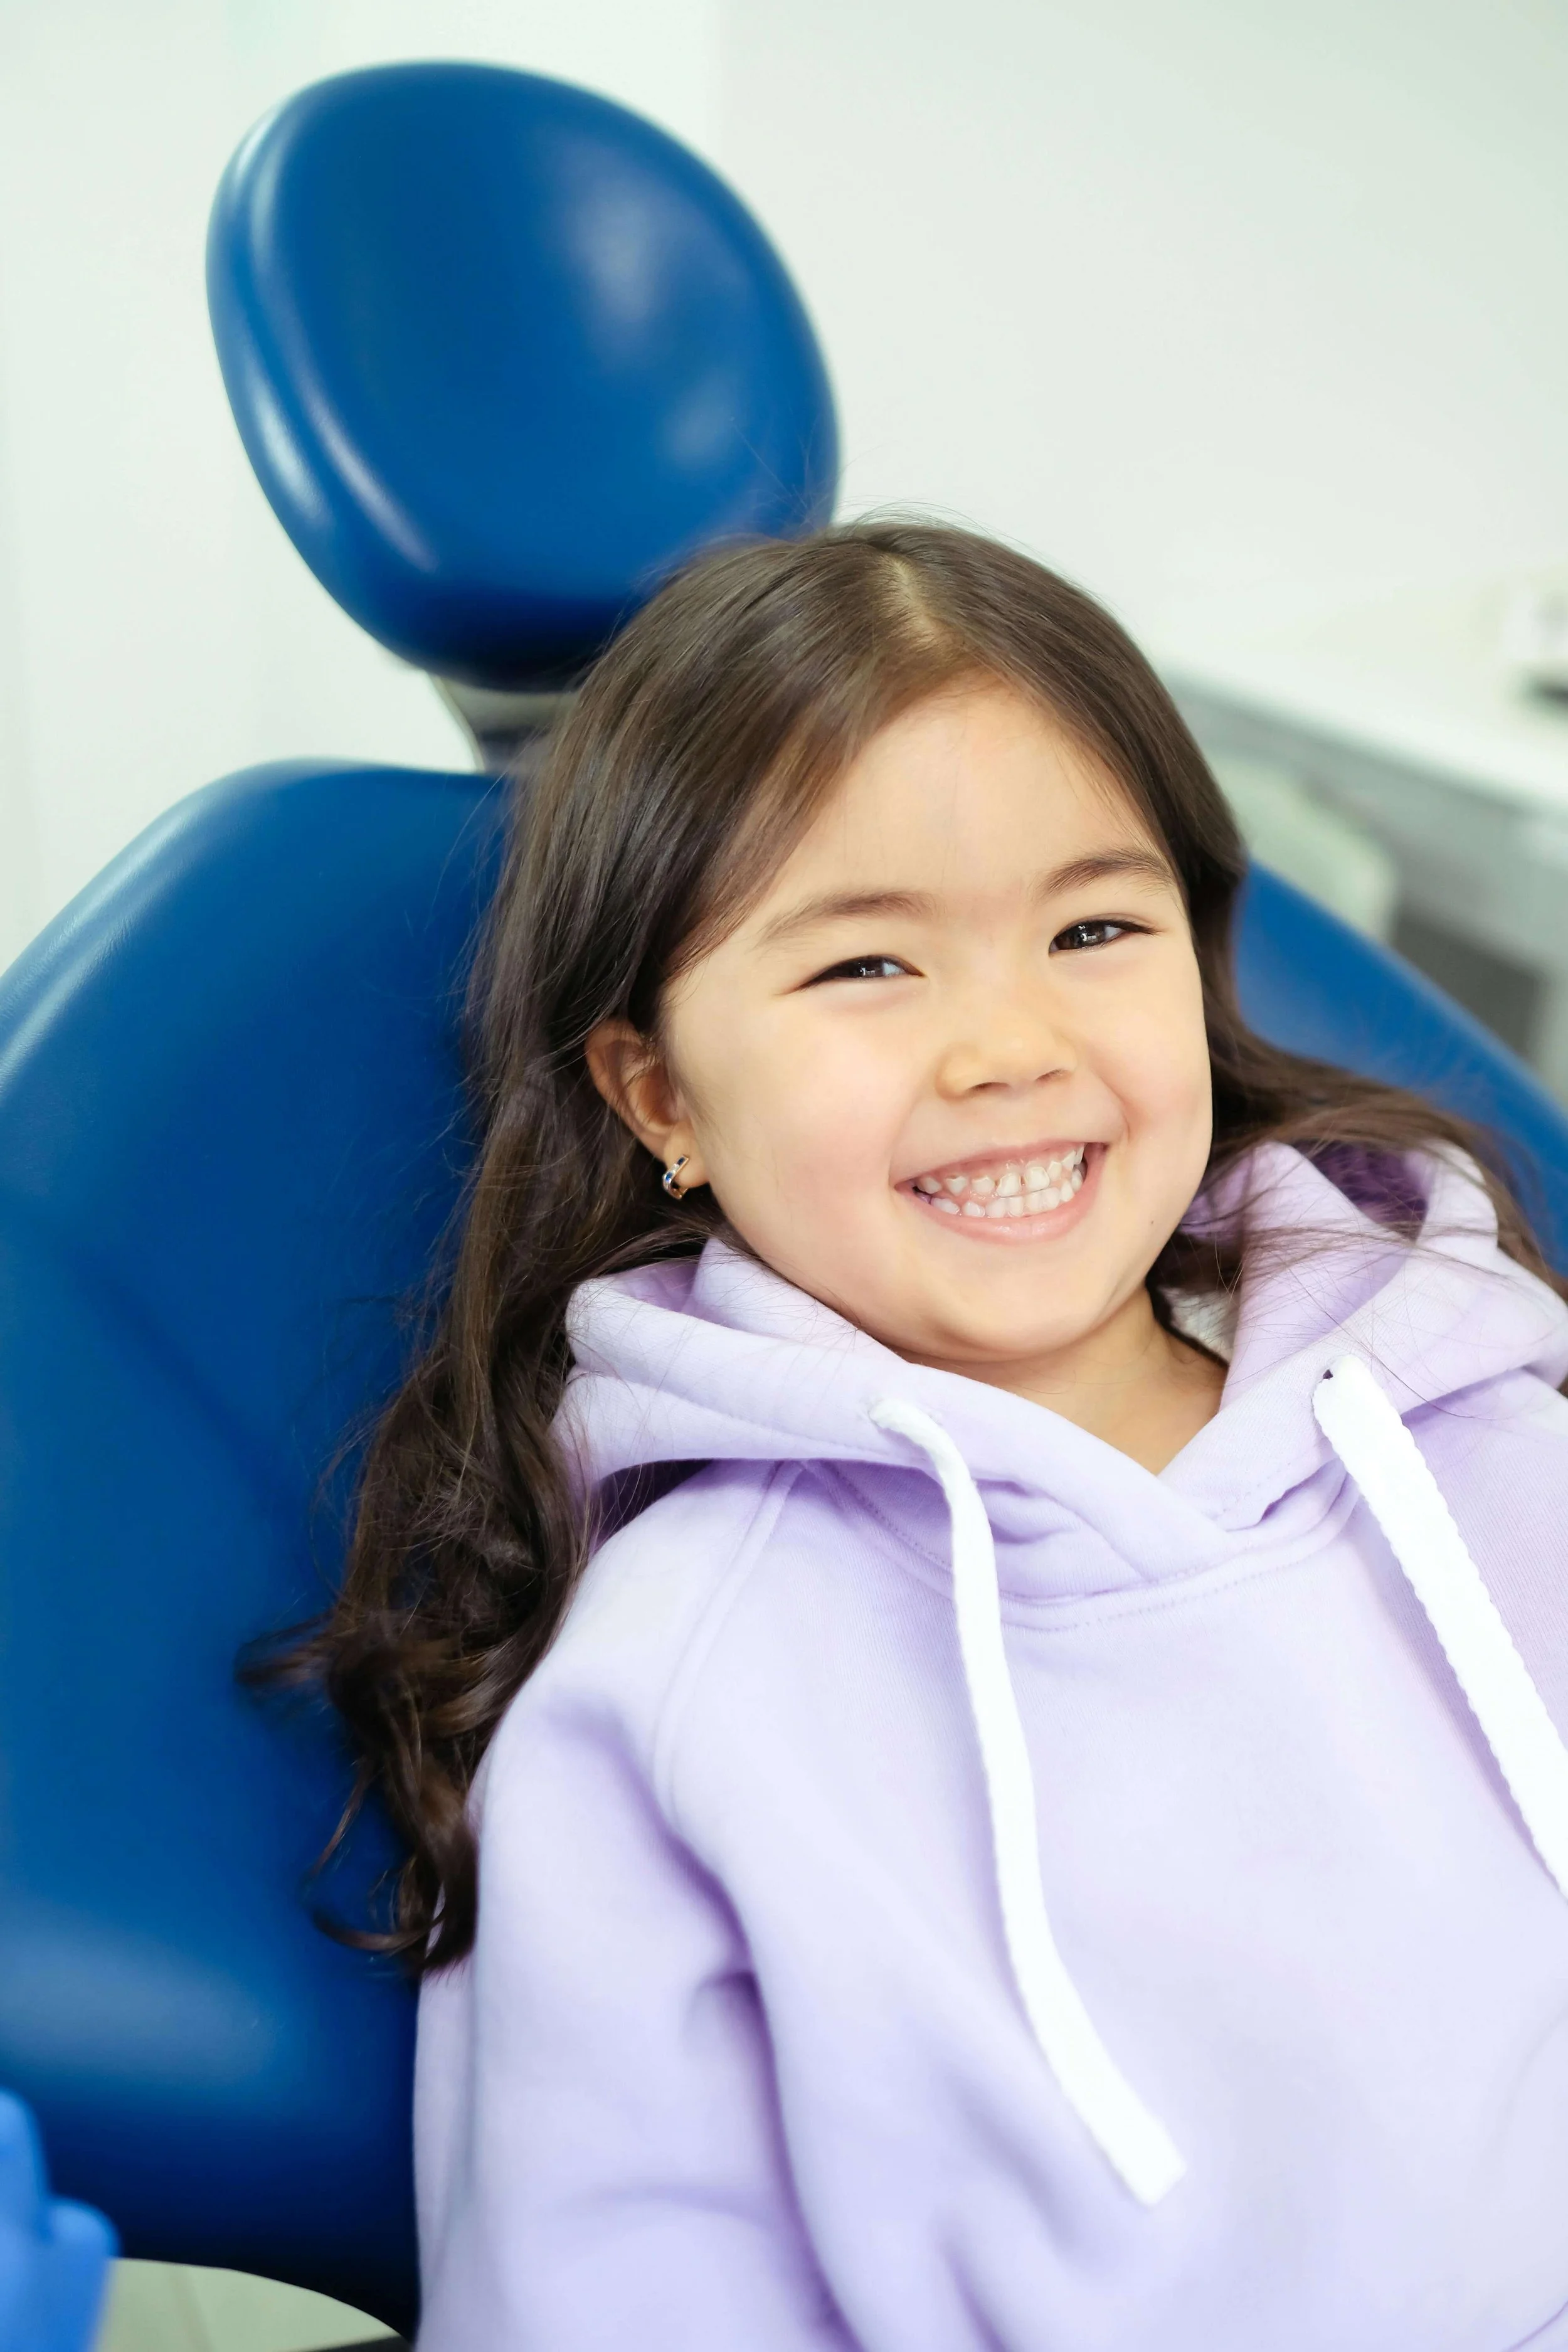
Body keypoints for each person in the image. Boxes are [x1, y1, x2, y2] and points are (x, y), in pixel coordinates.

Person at [298, 524, 1568, 2348]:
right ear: (659, 1095)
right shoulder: (669, 1704)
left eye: (1092, 930)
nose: (1008, 1046)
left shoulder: (1467, 1416)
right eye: (867, 968)